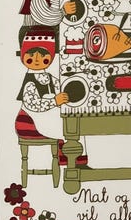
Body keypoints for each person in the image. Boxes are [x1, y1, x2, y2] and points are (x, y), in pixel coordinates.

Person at [15, 29, 88, 167]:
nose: (37, 59)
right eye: (31, 55)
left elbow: (60, 88)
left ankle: (77, 161)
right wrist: (55, 101)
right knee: (72, 129)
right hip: (32, 120)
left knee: (76, 126)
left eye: (43, 56)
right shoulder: (29, 81)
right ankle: (72, 162)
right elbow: (34, 105)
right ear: (23, 57)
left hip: (48, 117)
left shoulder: (49, 78)